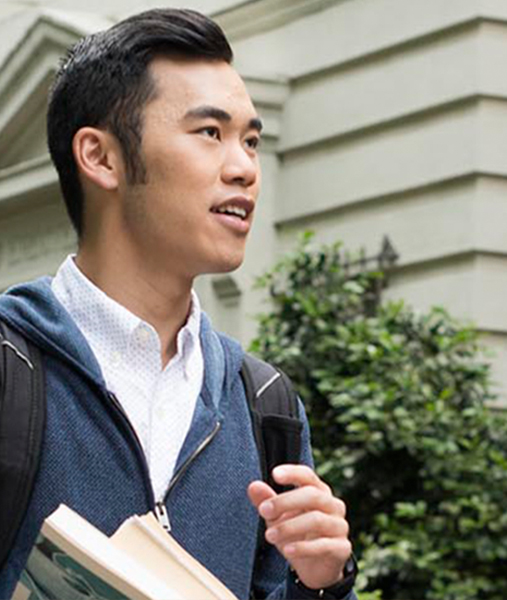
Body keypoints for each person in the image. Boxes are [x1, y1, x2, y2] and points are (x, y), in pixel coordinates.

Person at [0, 9, 355, 600]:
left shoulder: (264, 404)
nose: (243, 168)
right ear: (101, 157)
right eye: (209, 133)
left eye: (250, 140)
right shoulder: (11, 370)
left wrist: (320, 582)